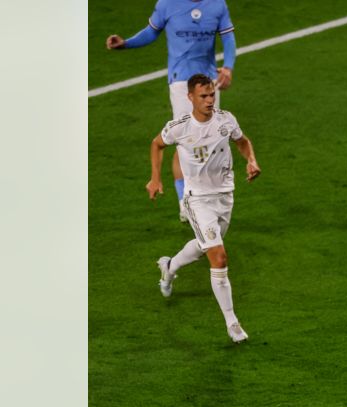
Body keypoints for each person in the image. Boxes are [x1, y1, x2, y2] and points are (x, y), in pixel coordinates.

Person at [148, 74, 261, 343]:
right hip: (197, 200)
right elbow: (157, 144)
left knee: (204, 247)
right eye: (203, 96)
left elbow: (242, 141)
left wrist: (251, 160)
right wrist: (155, 178)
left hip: (225, 196)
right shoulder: (180, 128)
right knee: (219, 257)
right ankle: (232, 324)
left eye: (211, 95)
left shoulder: (226, 120)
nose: (210, 100)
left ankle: (170, 266)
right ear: (190, 98)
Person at [107, 0, 237, 222]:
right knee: (187, 140)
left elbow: (228, 37)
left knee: (207, 139)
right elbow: (151, 32)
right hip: (181, 83)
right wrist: (126, 44)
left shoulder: (217, 4)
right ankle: (185, 203)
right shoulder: (167, 3)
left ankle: (202, 196)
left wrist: (228, 67)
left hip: (208, 82)